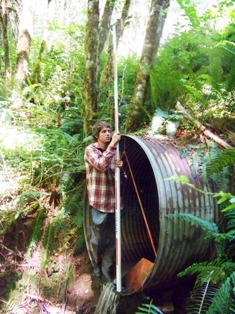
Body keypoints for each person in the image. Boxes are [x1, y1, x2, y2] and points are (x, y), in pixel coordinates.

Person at [84, 120, 123, 282]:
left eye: (109, 131)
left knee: (114, 240)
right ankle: (96, 265)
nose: (108, 134)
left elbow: (119, 177)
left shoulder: (115, 152)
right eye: (104, 132)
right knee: (97, 240)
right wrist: (112, 145)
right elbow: (101, 165)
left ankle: (107, 270)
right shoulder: (90, 150)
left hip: (115, 204)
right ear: (96, 135)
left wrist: (121, 167)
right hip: (100, 204)